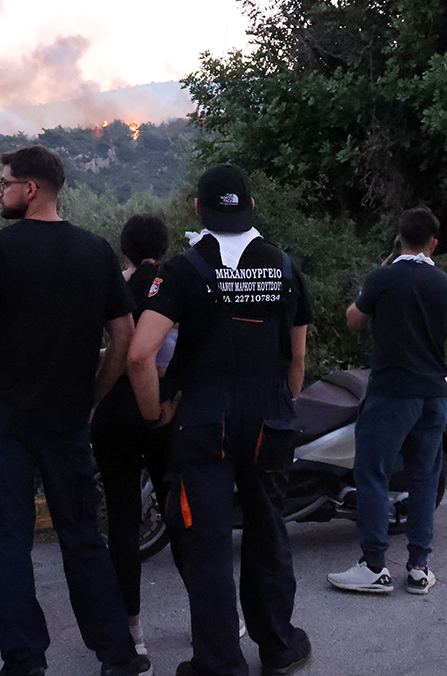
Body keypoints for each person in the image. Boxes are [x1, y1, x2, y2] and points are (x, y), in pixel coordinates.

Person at [0, 145, 149, 676]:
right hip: (67, 419)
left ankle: (25, 663)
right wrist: (93, 395)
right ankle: (117, 654)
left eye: (4, 184)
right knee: (83, 537)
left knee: (8, 544)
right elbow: (124, 336)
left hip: (4, 419)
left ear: (31, 189)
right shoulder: (96, 251)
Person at [127, 163, 313, 676]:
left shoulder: (183, 269)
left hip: (203, 422)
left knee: (205, 544)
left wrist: (155, 412)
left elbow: (140, 354)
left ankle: (218, 663)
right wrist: (282, 407)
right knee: (269, 531)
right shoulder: (284, 266)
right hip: (268, 417)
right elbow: (296, 359)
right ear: (251, 204)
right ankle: (278, 646)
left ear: (197, 209)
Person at [326, 207, 447, 596]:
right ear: (434, 243)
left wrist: (376, 278)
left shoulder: (383, 278)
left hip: (390, 396)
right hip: (434, 397)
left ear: (399, 239)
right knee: (424, 479)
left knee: (371, 474)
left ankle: (374, 566)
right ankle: (419, 568)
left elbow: (352, 317)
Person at [91, 214, 178, 658]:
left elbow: (99, 350)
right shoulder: (175, 286)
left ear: (123, 247)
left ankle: (132, 633)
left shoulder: (112, 288)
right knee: (181, 515)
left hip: (114, 413)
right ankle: (217, 614)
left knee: (122, 525)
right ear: (163, 247)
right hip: (163, 412)